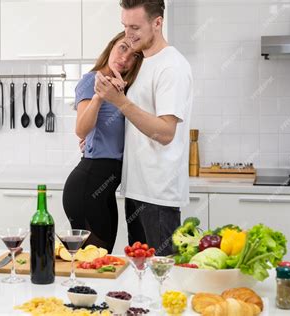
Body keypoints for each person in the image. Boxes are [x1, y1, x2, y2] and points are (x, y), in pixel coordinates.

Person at [94, 0, 193, 256]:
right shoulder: (144, 63)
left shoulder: (172, 66)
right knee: (141, 276)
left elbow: (165, 132)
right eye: (125, 26)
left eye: (135, 27)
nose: (129, 34)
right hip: (137, 190)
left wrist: (120, 101)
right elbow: (137, 123)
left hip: (159, 194)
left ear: (157, 23)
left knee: (163, 277)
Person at [62, 31, 143, 254]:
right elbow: (81, 129)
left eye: (134, 55)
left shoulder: (124, 88)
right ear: (111, 46)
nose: (125, 58)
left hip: (106, 188)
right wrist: (99, 96)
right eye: (123, 48)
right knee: (91, 262)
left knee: (102, 259)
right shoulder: (92, 80)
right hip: (88, 185)